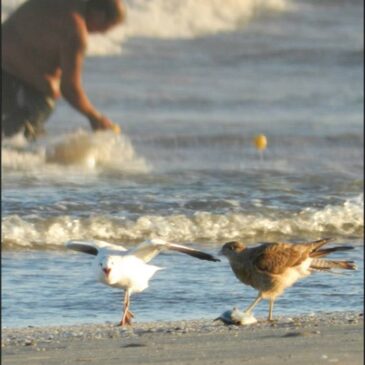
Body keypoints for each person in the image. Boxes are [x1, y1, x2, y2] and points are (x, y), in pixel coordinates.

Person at [2, 0, 125, 140]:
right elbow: (70, 88)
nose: (98, 33)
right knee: (17, 143)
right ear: (99, 15)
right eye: (104, 28)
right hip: (15, 85)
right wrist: (95, 117)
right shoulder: (75, 31)